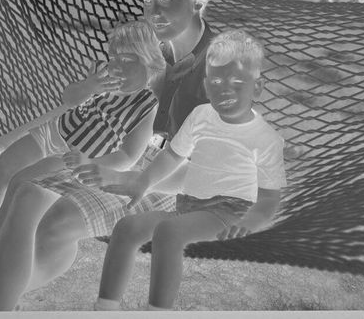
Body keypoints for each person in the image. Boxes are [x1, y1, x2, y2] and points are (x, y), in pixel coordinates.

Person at [0, 0, 217, 310]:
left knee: (35, 201)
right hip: (122, 159)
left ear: (197, 2)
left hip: (159, 182)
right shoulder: (155, 50)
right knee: (50, 223)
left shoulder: (212, 71)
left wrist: (125, 175)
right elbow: (85, 106)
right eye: (148, 0)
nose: (154, 12)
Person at [0, 20, 168, 289]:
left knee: (20, 183)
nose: (117, 65)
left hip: (74, 156)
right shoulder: (102, 74)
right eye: (114, 57)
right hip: (55, 133)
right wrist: (90, 86)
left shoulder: (147, 106)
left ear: (149, 62)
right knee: (3, 166)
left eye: (128, 60)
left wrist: (91, 163)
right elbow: (69, 99)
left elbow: (129, 156)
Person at [87, 29, 287, 311]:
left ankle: (158, 311)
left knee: (168, 232)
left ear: (257, 87)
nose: (224, 89)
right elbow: (172, 155)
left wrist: (253, 220)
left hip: (230, 212)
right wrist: (144, 181)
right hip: (189, 207)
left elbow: (269, 197)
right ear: (206, 86)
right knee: (127, 227)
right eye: (216, 81)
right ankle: (105, 308)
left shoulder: (265, 139)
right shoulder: (201, 116)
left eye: (236, 82)